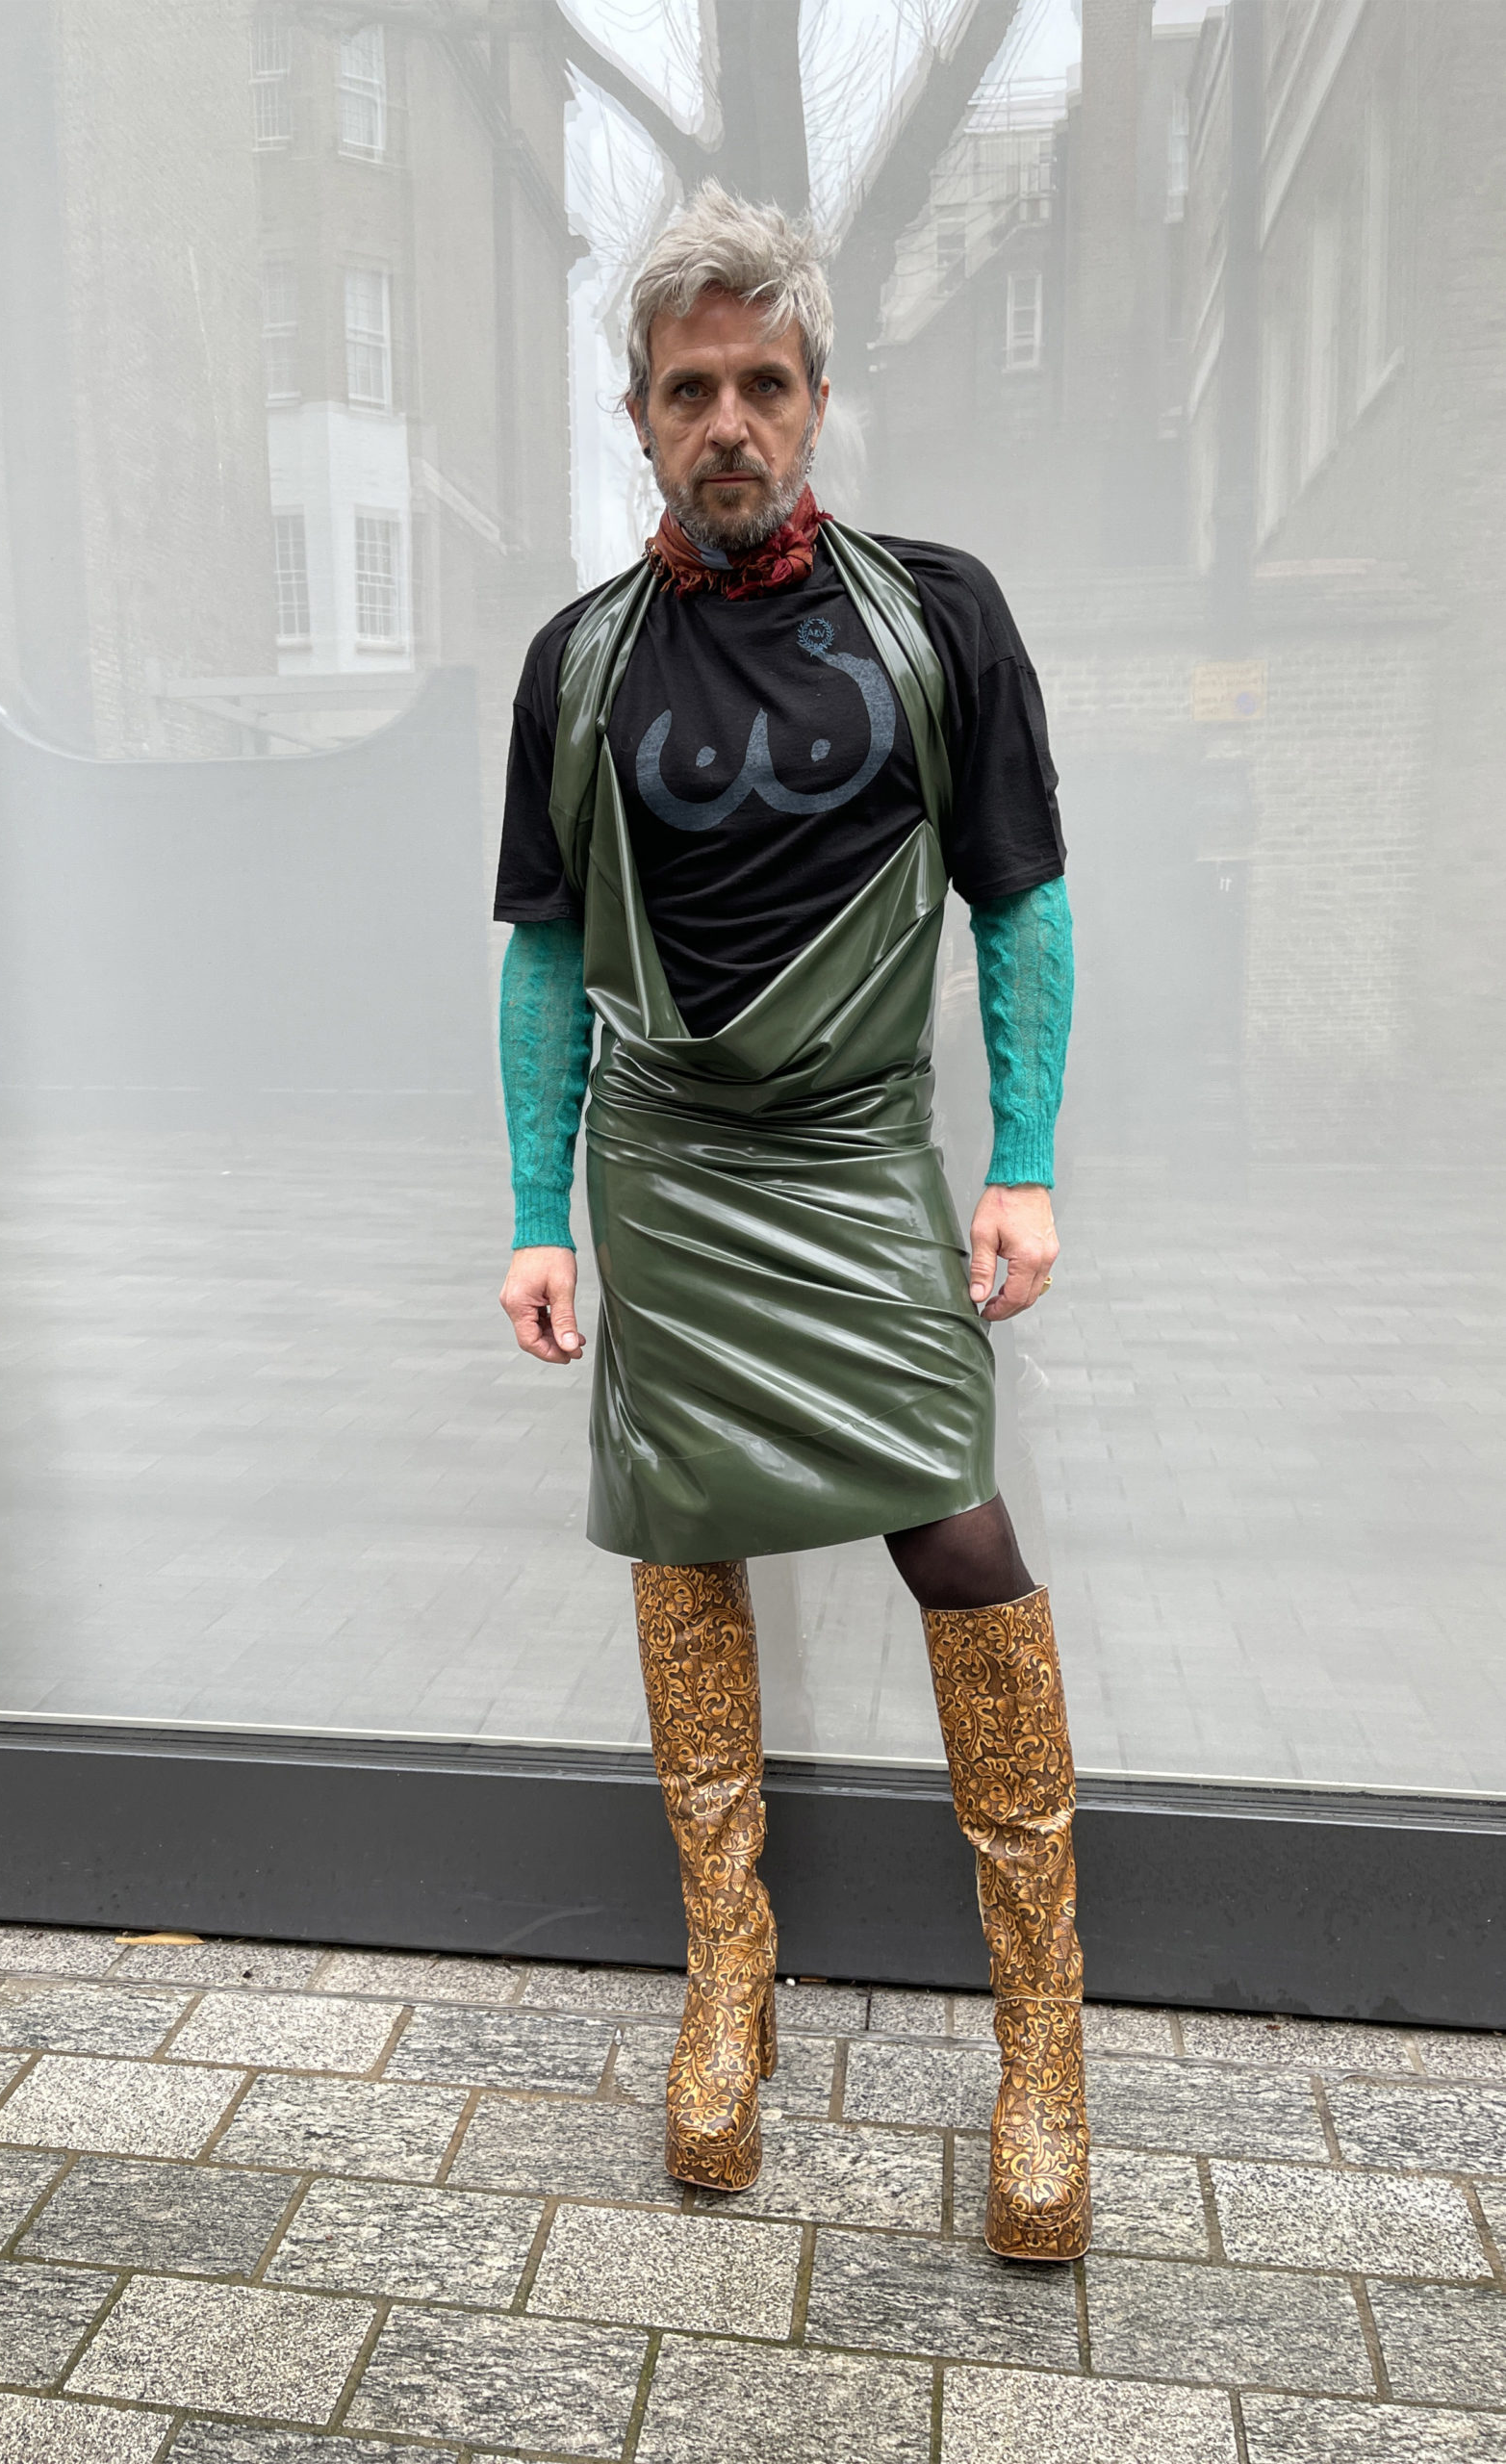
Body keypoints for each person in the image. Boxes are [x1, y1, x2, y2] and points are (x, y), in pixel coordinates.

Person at [493, 185, 1085, 2262]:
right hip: (662, 1167)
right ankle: (726, 1986)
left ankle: (1042, 2045)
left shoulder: (940, 616)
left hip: (853, 1155)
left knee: (960, 1536)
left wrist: (1020, 1157)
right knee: (683, 1541)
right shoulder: (577, 660)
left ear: (819, 395)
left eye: (761, 381)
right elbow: (544, 953)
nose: (726, 420)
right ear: (638, 417)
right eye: (688, 390)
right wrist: (535, 1209)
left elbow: (1018, 897)